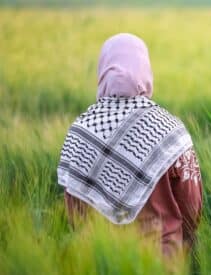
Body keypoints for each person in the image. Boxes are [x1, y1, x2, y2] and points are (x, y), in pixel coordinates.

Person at [57, 33, 203, 257]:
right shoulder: (170, 131)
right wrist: (187, 247)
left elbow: (73, 206)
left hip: (95, 259)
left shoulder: (82, 129)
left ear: (104, 70)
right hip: (160, 261)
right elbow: (191, 203)